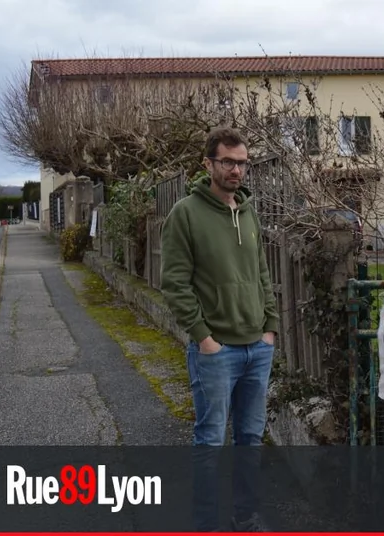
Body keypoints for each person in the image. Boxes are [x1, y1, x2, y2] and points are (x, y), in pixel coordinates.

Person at [160, 125, 279, 532]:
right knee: (210, 441)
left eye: (242, 163)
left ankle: (245, 517)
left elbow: (262, 273)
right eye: (227, 162)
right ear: (208, 164)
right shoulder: (185, 214)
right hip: (216, 352)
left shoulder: (248, 212)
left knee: (250, 439)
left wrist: (270, 327)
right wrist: (204, 338)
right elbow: (174, 283)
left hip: (257, 348)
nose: (236, 170)